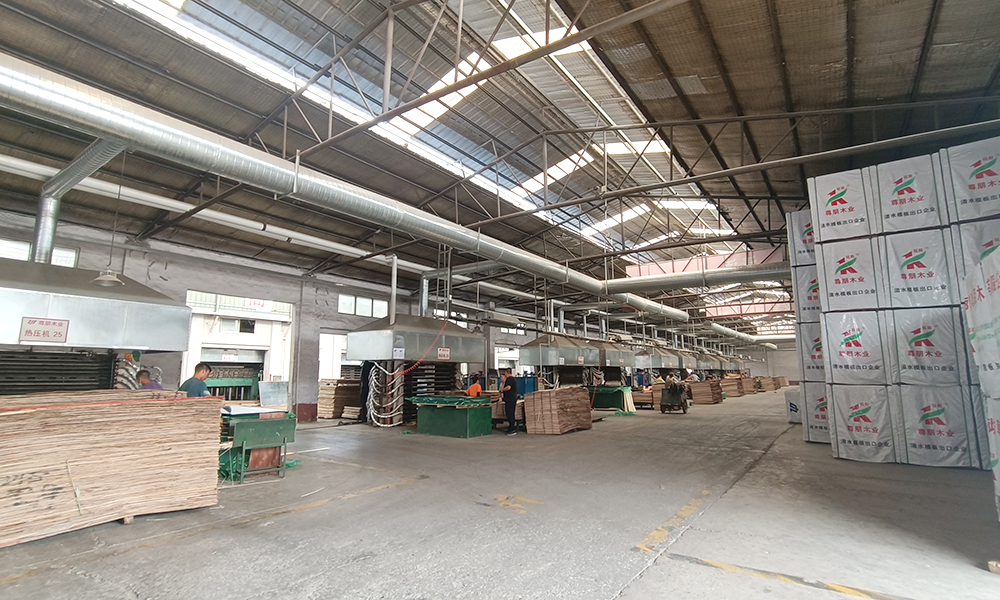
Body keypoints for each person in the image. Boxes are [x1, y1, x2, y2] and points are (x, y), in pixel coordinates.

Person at [500, 368, 518, 436]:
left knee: (509, 414)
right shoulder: (512, 379)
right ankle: (511, 427)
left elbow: (508, 387)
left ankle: (512, 429)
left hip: (510, 400)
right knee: (511, 413)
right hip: (511, 399)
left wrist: (502, 390)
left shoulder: (509, 379)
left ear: (506, 373)